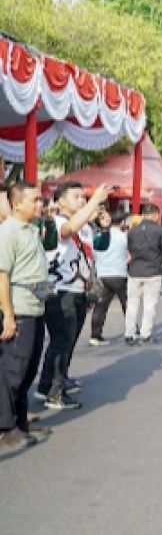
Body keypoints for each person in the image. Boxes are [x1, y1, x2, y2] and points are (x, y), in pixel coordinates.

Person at [37, 181, 111, 410]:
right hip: (60, 290)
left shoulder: (86, 227)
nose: (82, 200)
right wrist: (94, 202)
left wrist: (105, 228)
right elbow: (68, 230)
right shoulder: (58, 222)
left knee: (67, 342)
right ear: (60, 202)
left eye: (83, 196)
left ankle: (50, 383)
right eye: (76, 197)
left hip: (79, 290)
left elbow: (98, 246)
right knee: (61, 341)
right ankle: (54, 392)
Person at [0, 182, 56, 452]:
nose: (40, 204)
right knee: (12, 372)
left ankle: (20, 421)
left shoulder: (32, 230)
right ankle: (6, 427)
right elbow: (2, 275)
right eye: (34, 200)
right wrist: (8, 315)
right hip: (19, 310)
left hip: (35, 308)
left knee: (27, 370)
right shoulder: (8, 232)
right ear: (17, 203)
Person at [124, 203, 162, 346]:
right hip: (153, 271)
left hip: (134, 271)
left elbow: (130, 249)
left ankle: (129, 333)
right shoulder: (161, 231)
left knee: (132, 303)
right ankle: (146, 334)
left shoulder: (132, 232)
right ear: (155, 215)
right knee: (149, 304)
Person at [88, 211, 129, 346]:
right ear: (122, 223)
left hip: (102, 275)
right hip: (119, 275)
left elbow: (93, 254)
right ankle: (131, 332)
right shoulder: (124, 237)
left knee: (100, 307)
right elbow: (130, 256)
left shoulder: (99, 236)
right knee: (127, 305)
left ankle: (95, 336)